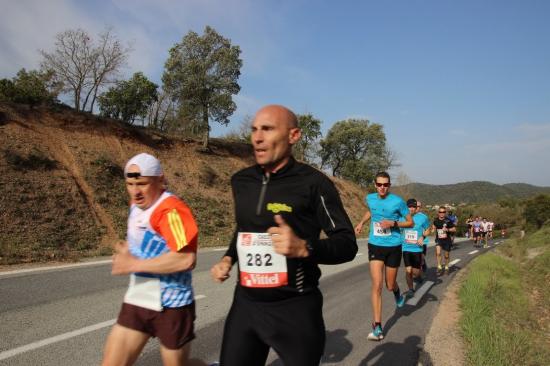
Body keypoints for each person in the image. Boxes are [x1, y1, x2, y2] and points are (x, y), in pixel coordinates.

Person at [210, 105, 358, 366]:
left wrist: (305, 247)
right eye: (254, 129)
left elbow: (347, 244)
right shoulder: (241, 181)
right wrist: (228, 258)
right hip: (246, 305)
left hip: (295, 307)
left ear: (294, 136)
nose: (257, 137)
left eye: (267, 129)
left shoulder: (315, 184)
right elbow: (244, 229)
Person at [101, 153, 207, 366]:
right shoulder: (136, 205)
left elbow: (186, 259)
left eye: (141, 184)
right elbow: (147, 240)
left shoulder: (171, 210)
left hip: (172, 304)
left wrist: (133, 264)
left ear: (160, 180)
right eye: (130, 183)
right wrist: (126, 250)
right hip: (139, 297)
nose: (135, 191)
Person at [355, 172, 413, 341]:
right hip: (375, 245)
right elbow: (370, 211)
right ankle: (377, 326)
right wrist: (361, 223)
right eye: (379, 184)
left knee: (389, 284)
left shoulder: (398, 202)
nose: (382, 187)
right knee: (377, 285)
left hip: (394, 247)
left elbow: (410, 222)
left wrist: (393, 223)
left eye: (385, 185)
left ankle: (397, 293)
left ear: (389, 185)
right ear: (375, 184)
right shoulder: (370, 198)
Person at [401, 198, 431, 297]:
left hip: (417, 249)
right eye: (409, 206)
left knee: (416, 272)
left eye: (414, 207)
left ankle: (419, 275)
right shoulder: (401, 217)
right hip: (405, 248)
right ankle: (411, 289)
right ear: (406, 207)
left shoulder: (422, 218)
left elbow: (428, 229)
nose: (412, 209)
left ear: (416, 208)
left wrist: (423, 237)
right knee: (408, 270)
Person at [432, 207, 456, 275]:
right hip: (439, 239)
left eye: (443, 212)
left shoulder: (448, 221)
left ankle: (446, 267)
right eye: (440, 212)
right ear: (438, 213)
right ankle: (439, 266)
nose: (442, 213)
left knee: (446, 255)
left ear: (445, 213)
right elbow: (434, 226)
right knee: (438, 253)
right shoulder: (436, 220)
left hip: (447, 240)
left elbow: (454, 229)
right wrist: (433, 229)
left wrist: (448, 230)